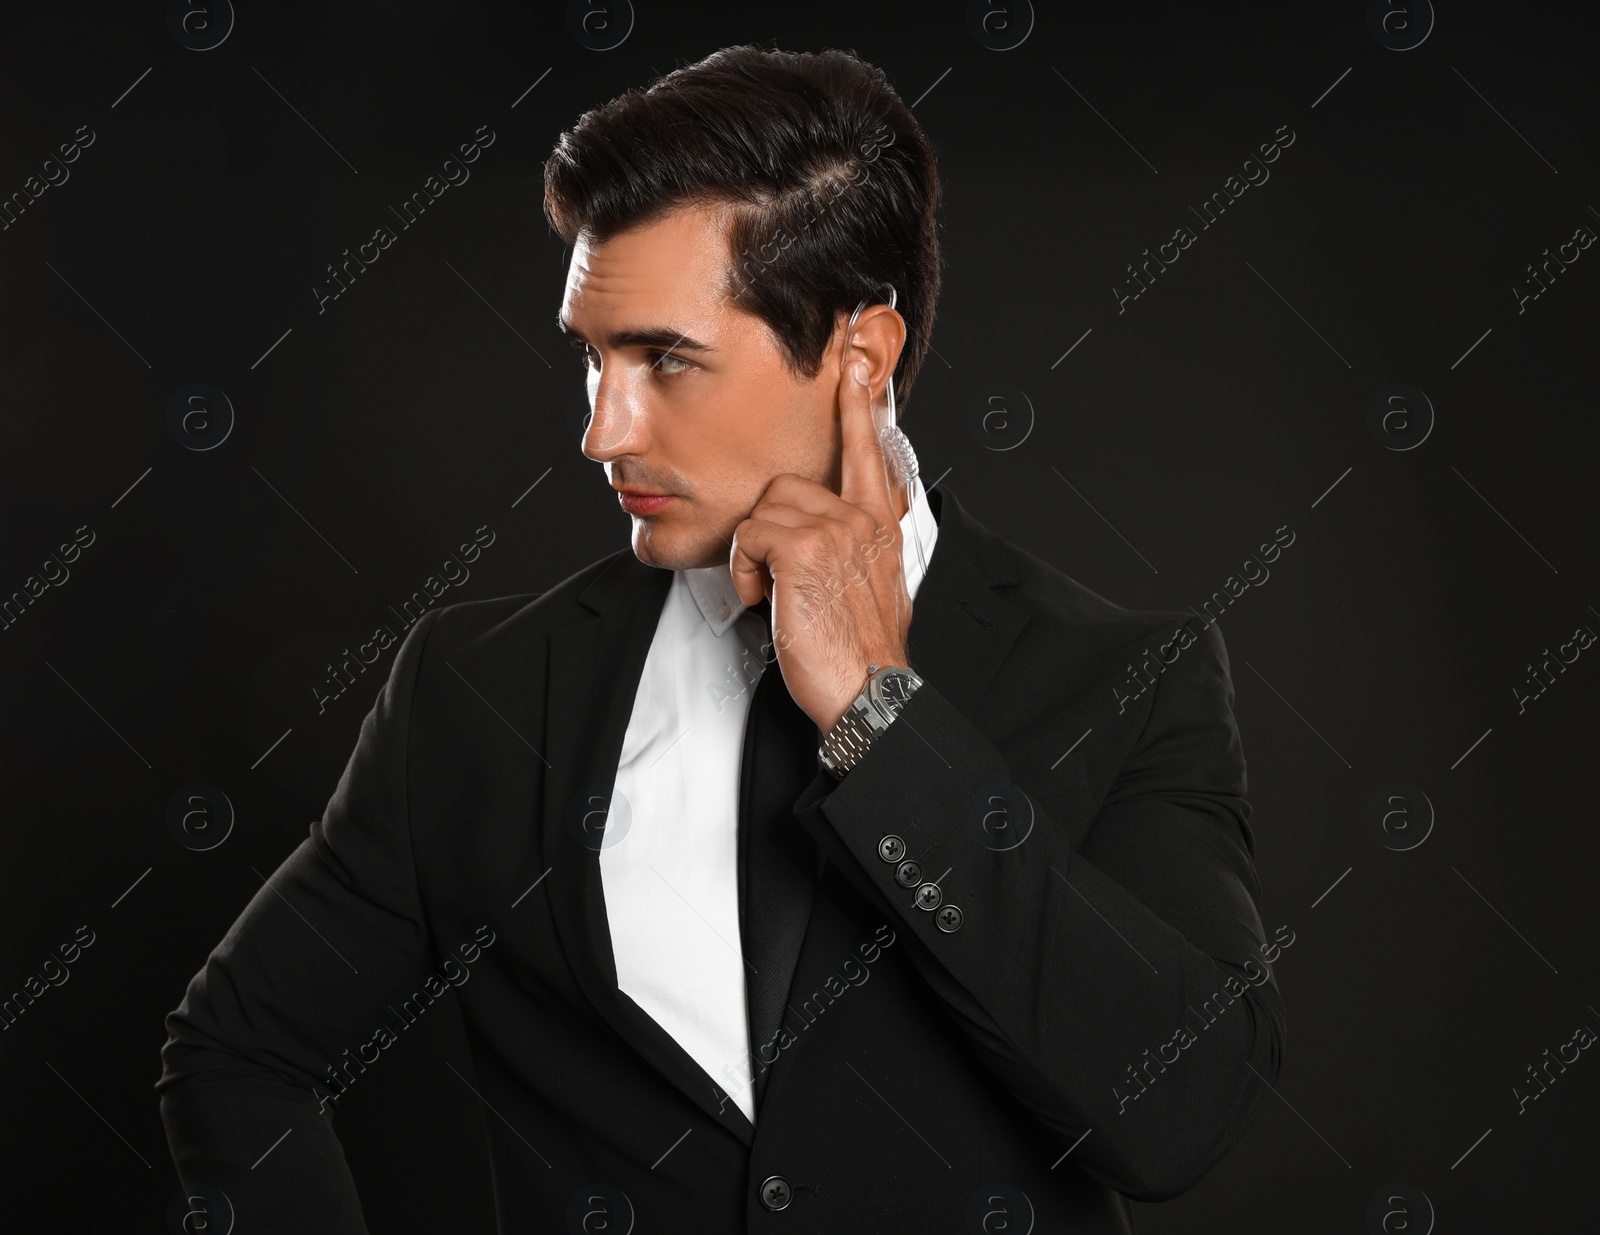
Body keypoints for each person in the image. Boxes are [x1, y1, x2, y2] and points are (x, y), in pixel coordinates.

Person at [158, 43, 1285, 1233]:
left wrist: (881, 715)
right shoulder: (478, 689)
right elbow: (236, 1048)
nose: (602, 430)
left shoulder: (1127, 678)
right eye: (593, 355)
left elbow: (1183, 1112)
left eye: (664, 359)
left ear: (860, 356)